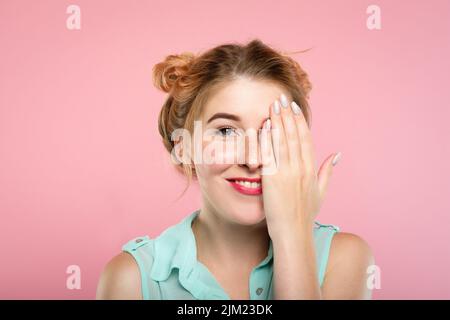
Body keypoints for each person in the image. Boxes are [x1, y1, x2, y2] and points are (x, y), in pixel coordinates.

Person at [96, 39, 374, 300]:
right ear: (183, 147)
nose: (252, 160)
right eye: (227, 131)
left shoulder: (344, 258)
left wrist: (292, 232)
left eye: (270, 131)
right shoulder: (131, 280)